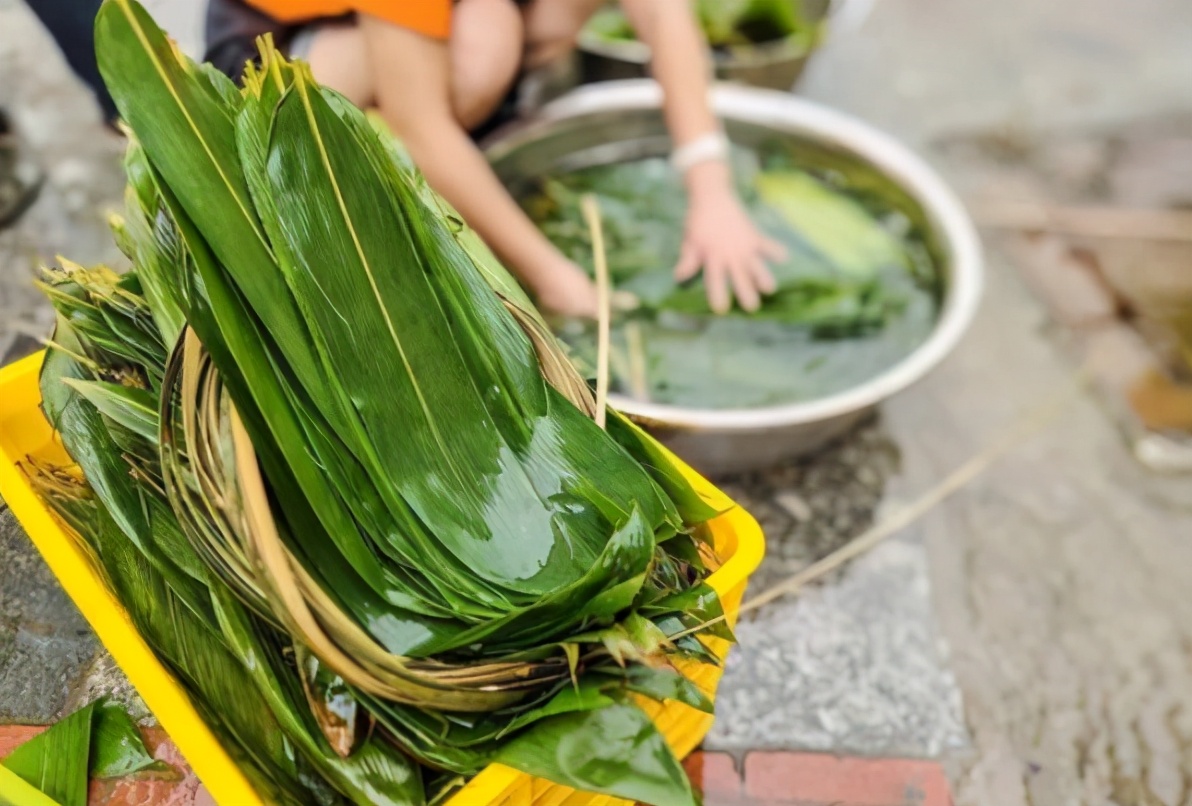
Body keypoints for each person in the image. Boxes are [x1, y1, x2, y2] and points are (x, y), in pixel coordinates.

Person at [205, 0, 786, 317]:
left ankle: (458, 100)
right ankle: (362, 143)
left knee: (532, 18)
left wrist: (711, 186)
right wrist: (552, 276)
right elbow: (423, 126)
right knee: (478, 60)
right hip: (273, 45)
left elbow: (662, 13)